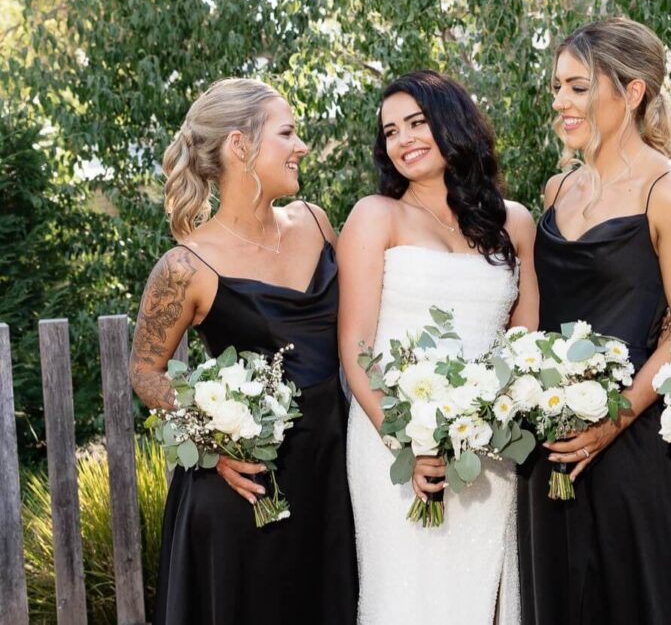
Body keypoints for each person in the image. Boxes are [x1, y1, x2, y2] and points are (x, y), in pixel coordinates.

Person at [129, 78, 357, 624]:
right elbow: (144, 371)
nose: (301, 146)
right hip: (248, 492)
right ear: (240, 145)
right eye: (288, 133)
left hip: (332, 477)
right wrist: (213, 440)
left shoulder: (316, 222)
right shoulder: (185, 266)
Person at [518, 17, 671, 625]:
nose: (561, 101)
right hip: (549, 443)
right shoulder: (557, 190)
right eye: (557, 86)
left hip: (632, 446)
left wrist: (613, 419)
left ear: (632, 92)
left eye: (578, 87)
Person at [338, 70, 539, 624]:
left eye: (416, 123)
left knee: (483, 593)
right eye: (391, 131)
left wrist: (491, 419)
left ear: (452, 123)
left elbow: (524, 343)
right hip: (392, 437)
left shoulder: (515, 223)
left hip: (489, 443)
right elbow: (355, 345)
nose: (403, 140)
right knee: (405, 597)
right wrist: (407, 441)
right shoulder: (375, 216)